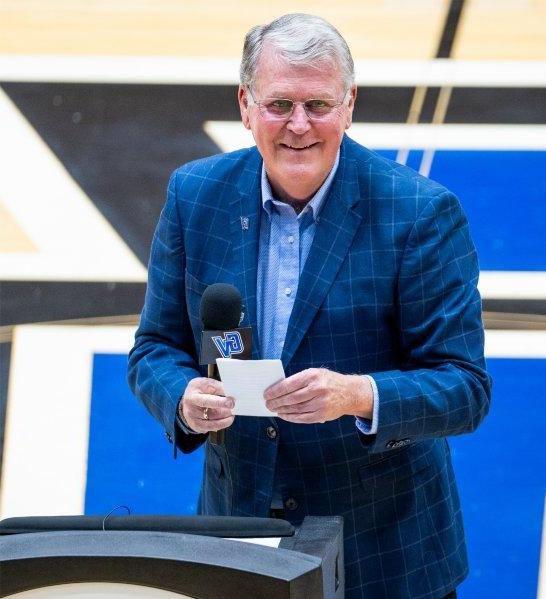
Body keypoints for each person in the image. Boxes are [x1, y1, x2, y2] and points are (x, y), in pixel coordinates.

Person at [128, 13, 491, 599]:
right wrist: (181, 397)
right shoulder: (195, 196)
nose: (299, 125)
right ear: (246, 105)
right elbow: (155, 349)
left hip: (383, 555)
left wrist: (357, 395)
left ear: (349, 104)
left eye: (318, 105)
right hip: (239, 538)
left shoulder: (421, 213)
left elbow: (465, 387)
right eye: (279, 104)